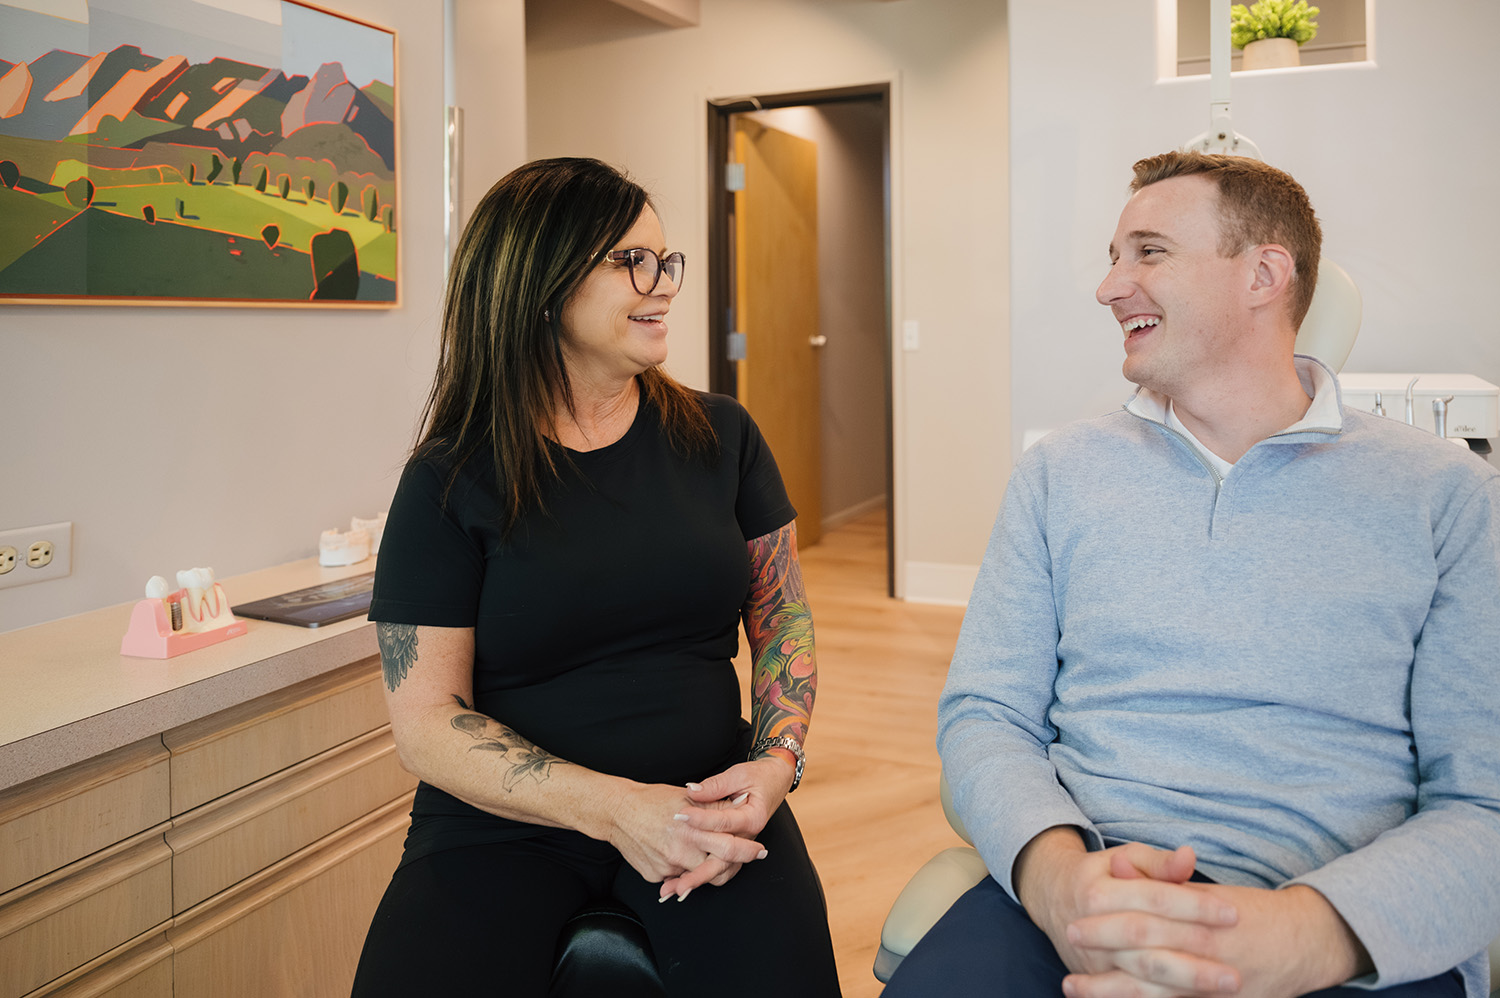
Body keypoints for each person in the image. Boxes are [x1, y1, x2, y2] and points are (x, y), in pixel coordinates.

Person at [884, 151, 1500, 998]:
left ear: (1264, 274)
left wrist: (1300, 938)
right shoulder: (1061, 473)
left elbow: (1485, 801)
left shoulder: (1448, 496)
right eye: (1113, 256)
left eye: (1148, 252)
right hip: (1079, 901)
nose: (1109, 286)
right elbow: (986, 715)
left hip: (1336, 930)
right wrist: (1059, 881)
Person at [350, 158, 840, 997]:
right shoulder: (448, 478)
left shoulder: (723, 437)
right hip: (500, 826)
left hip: (706, 805)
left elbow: (782, 617)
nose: (664, 284)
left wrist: (776, 762)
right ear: (543, 282)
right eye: (631, 261)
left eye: (665, 259)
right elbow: (424, 724)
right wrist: (617, 809)